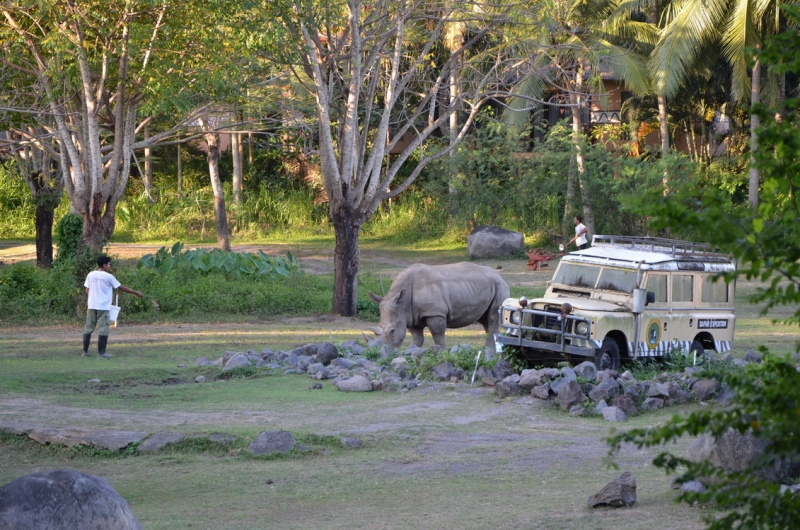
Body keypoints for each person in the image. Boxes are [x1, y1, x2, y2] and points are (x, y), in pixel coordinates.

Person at [83, 255, 143, 358]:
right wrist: (135, 292)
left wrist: (94, 297)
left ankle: (85, 352)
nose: (109, 266)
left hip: (92, 305)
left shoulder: (91, 275)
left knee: (88, 328)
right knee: (103, 329)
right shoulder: (108, 277)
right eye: (109, 264)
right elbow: (121, 287)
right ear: (104, 265)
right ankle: (102, 352)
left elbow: (87, 290)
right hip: (103, 307)